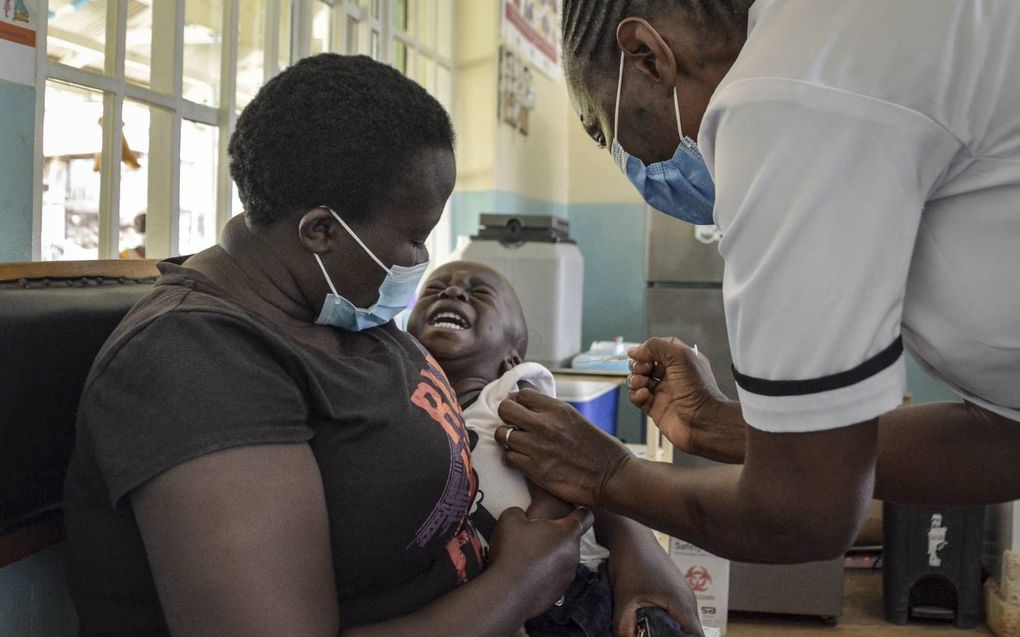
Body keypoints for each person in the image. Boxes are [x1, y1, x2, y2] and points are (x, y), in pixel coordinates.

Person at [63, 54, 594, 637]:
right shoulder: (195, 361)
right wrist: (517, 586)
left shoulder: (334, 302)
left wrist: (628, 541)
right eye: (414, 239)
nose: (420, 263)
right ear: (321, 231)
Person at [495, 0, 1020, 565]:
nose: (631, 164)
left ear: (647, 55)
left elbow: (797, 517)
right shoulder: (847, 38)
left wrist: (610, 474)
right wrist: (726, 426)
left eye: (606, 132)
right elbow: (1005, 437)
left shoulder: (782, 96)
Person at [407, 260, 702, 637]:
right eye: (434, 289)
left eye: (478, 293)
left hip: (572, 591)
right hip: (486, 599)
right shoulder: (408, 410)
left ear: (513, 356)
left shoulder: (509, 395)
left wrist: (546, 526)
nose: (451, 292)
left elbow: (576, 473)